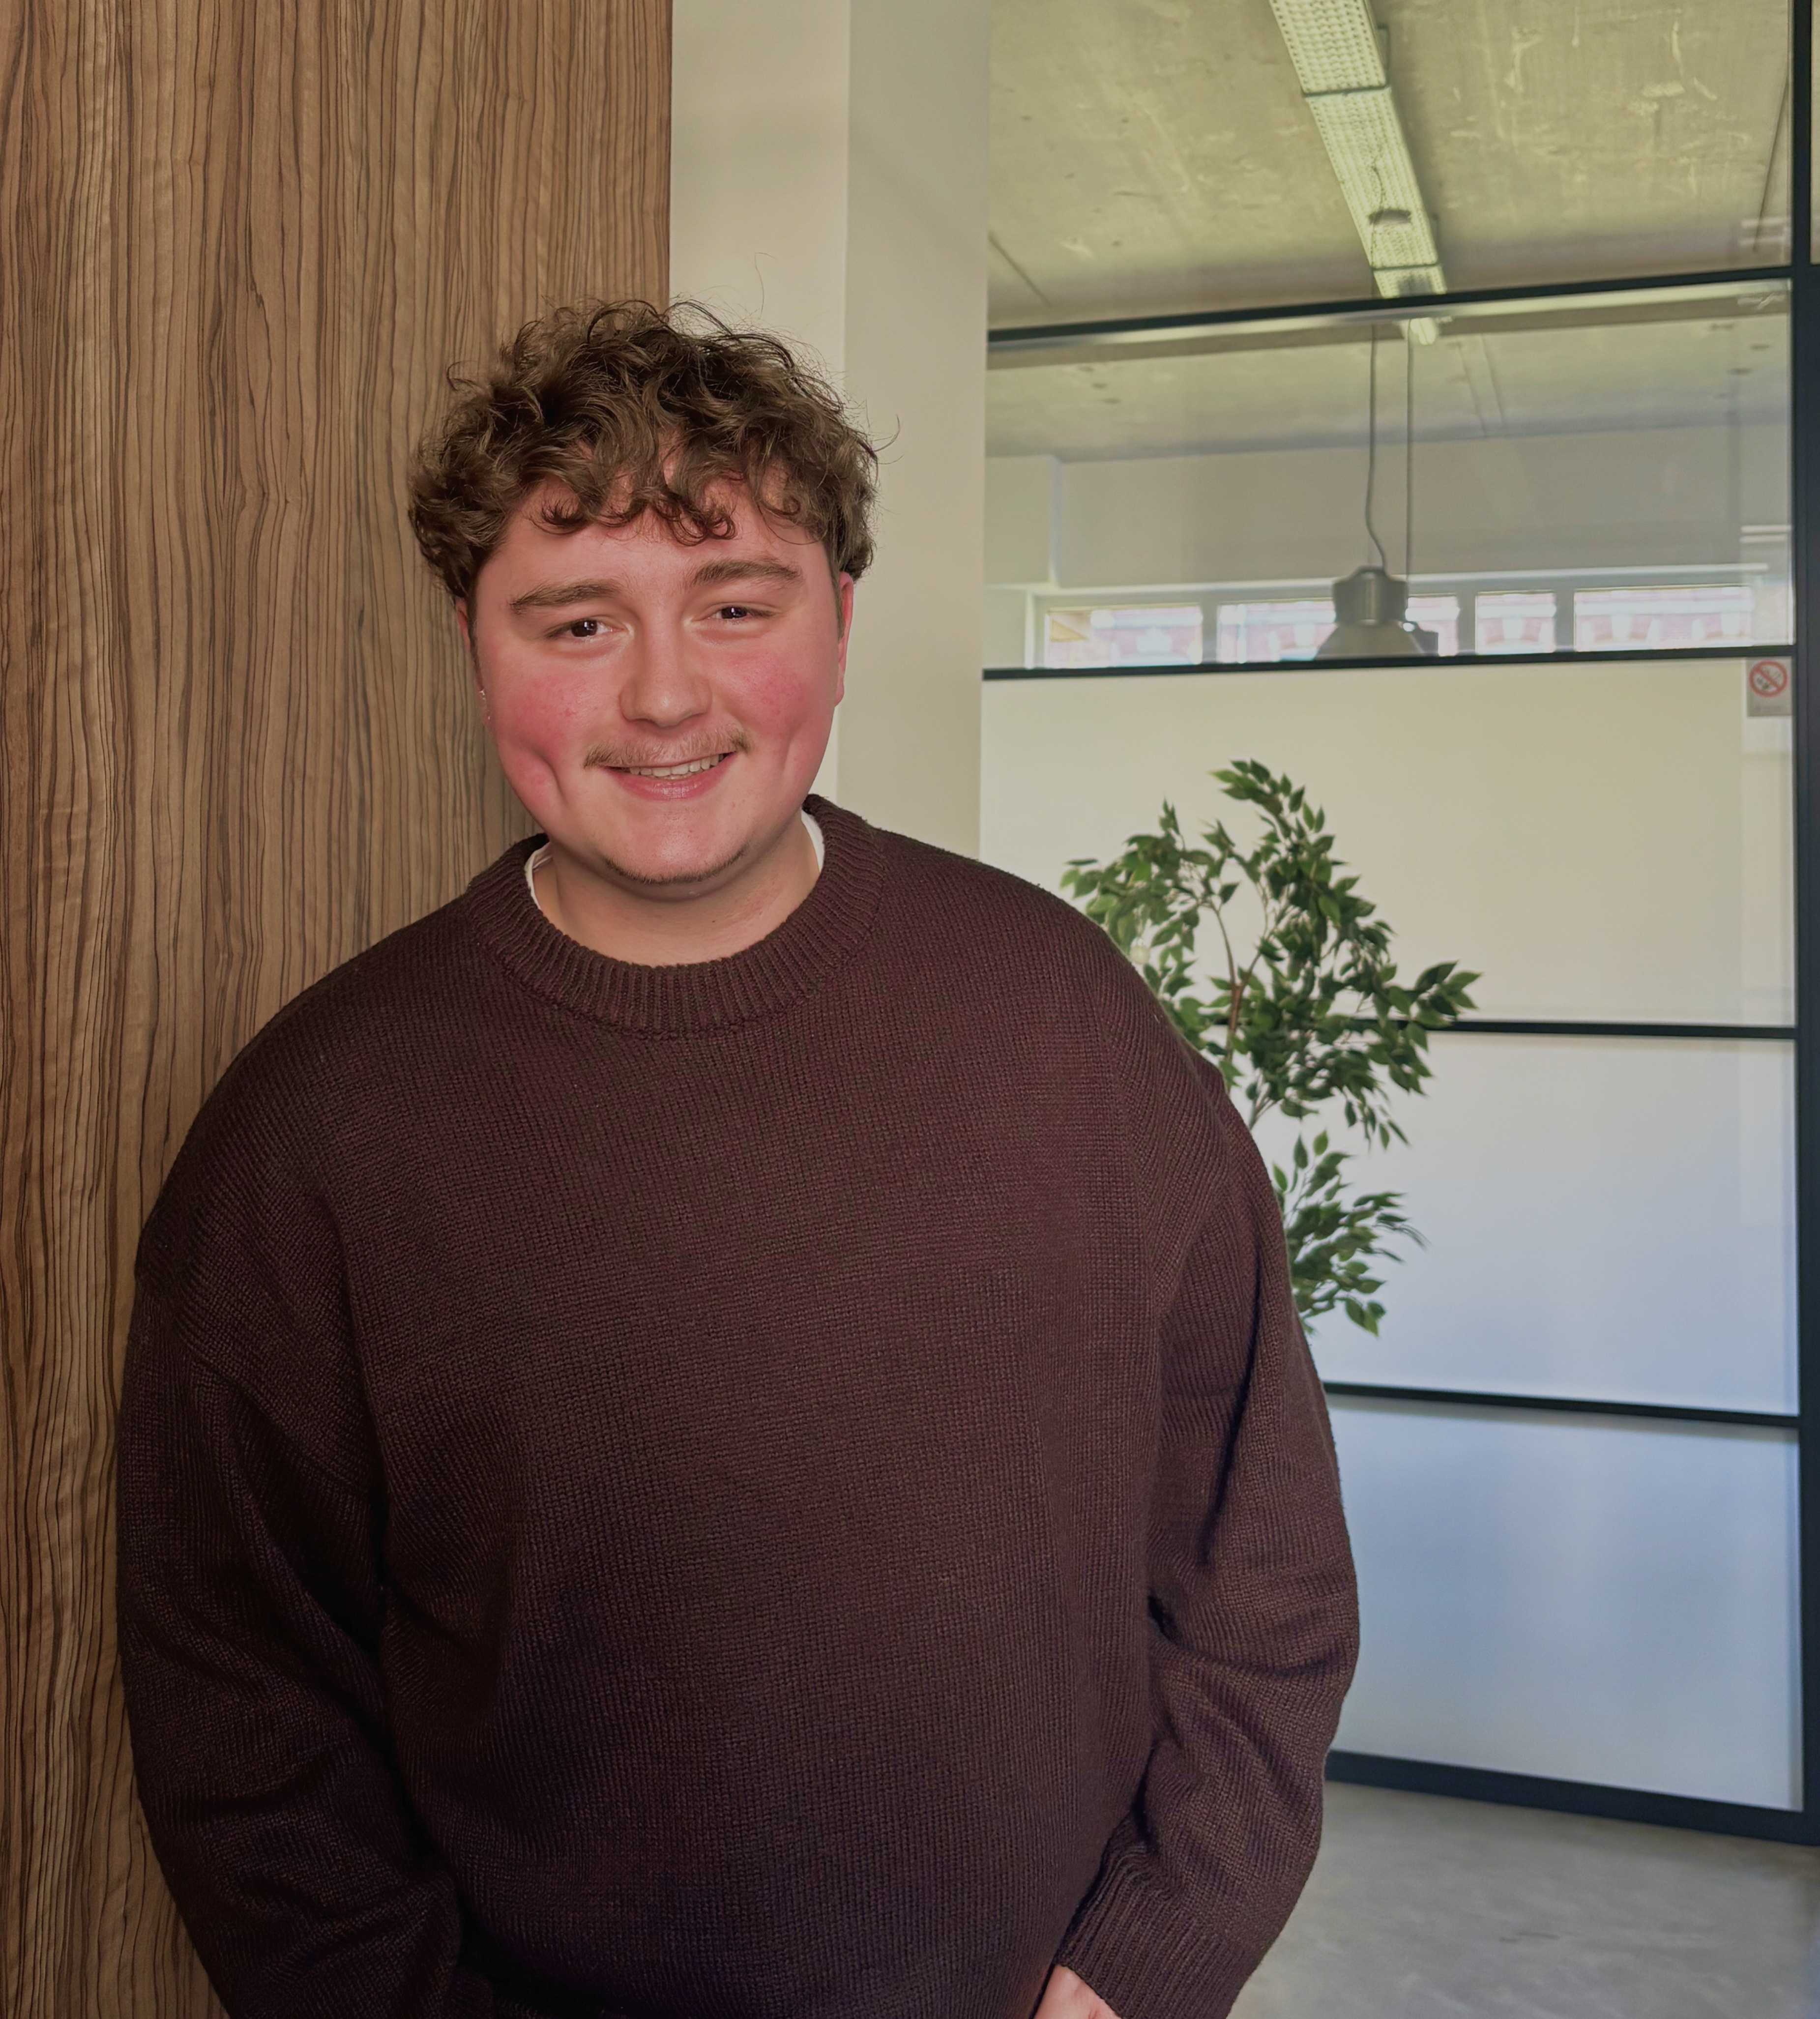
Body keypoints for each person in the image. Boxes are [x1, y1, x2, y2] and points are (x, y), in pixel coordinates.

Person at [116, 301, 1358, 2019]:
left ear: (840, 622)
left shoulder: (1061, 1013)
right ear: (474, 643)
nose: (662, 693)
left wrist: (1140, 1968)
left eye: (735, 604)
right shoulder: (311, 1131)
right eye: (577, 619)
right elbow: (242, 1718)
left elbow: (1260, 1553)